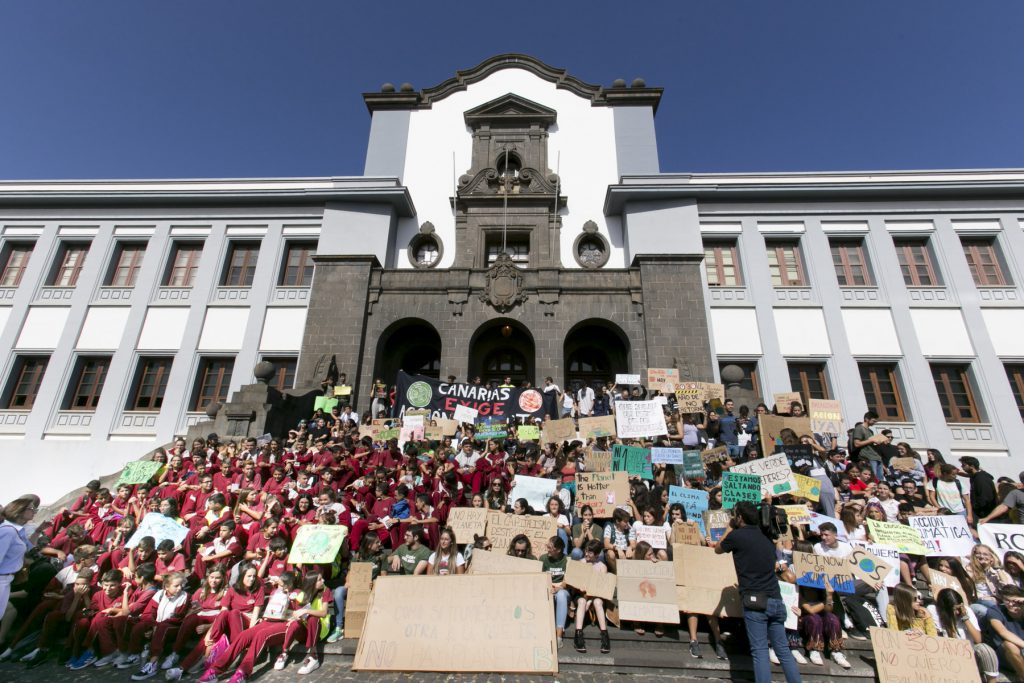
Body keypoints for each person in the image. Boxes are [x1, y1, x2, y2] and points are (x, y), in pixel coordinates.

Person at [716, 501, 801, 683]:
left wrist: (729, 527)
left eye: (734, 515)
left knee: (760, 651)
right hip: (776, 600)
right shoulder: (767, 539)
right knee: (783, 651)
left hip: (755, 602)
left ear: (739, 517)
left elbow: (717, 549)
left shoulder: (737, 536)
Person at [929, 587, 1000, 683]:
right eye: (954, 610)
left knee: (985, 650)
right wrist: (950, 622)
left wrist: (965, 618)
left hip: (969, 653)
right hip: (947, 655)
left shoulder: (966, 611)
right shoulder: (933, 610)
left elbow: (978, 639)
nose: (958, 612)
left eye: (959, 608)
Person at [0, 496, 36, 624]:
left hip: (6, 579)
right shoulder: (8, 531)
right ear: (20, 511)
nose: (34, 511)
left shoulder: (16, 531)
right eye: (31, 508)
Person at [539, 536, 569, 649]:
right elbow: (539, 577)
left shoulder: (567, 560)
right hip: (547, 588)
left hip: (563, 589)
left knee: (561, 595)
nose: (547, 549)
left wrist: (560, 587)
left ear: (558, 550)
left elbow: (570, 579)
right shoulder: (543, 559)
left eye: (550, 547)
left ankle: (559, 636)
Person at [960, 456, 998, 522]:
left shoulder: (981, 478)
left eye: (964, 465)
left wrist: (976, 507)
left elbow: (985, 497)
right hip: (981, 513)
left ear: (971, 466)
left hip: (984, 514)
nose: (962, 467)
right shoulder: (975, 477)